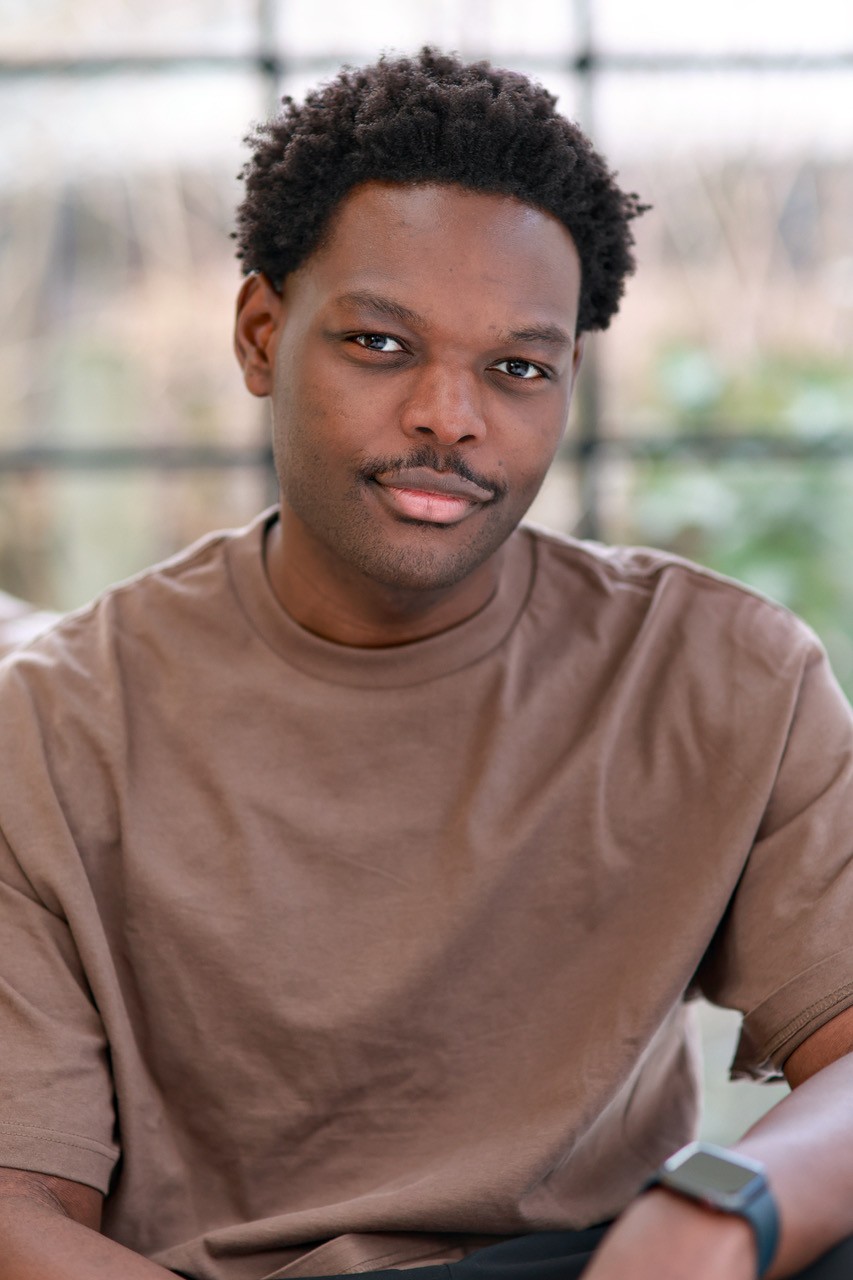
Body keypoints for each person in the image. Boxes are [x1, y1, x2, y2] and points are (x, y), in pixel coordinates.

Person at [0, 47, 852, 1280]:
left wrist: (718, 1210)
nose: (451, 417)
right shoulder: (51, 725)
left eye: (517, 368)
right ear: (261, 335)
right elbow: (18, 1208)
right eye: (381, 343)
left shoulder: (721, 674)